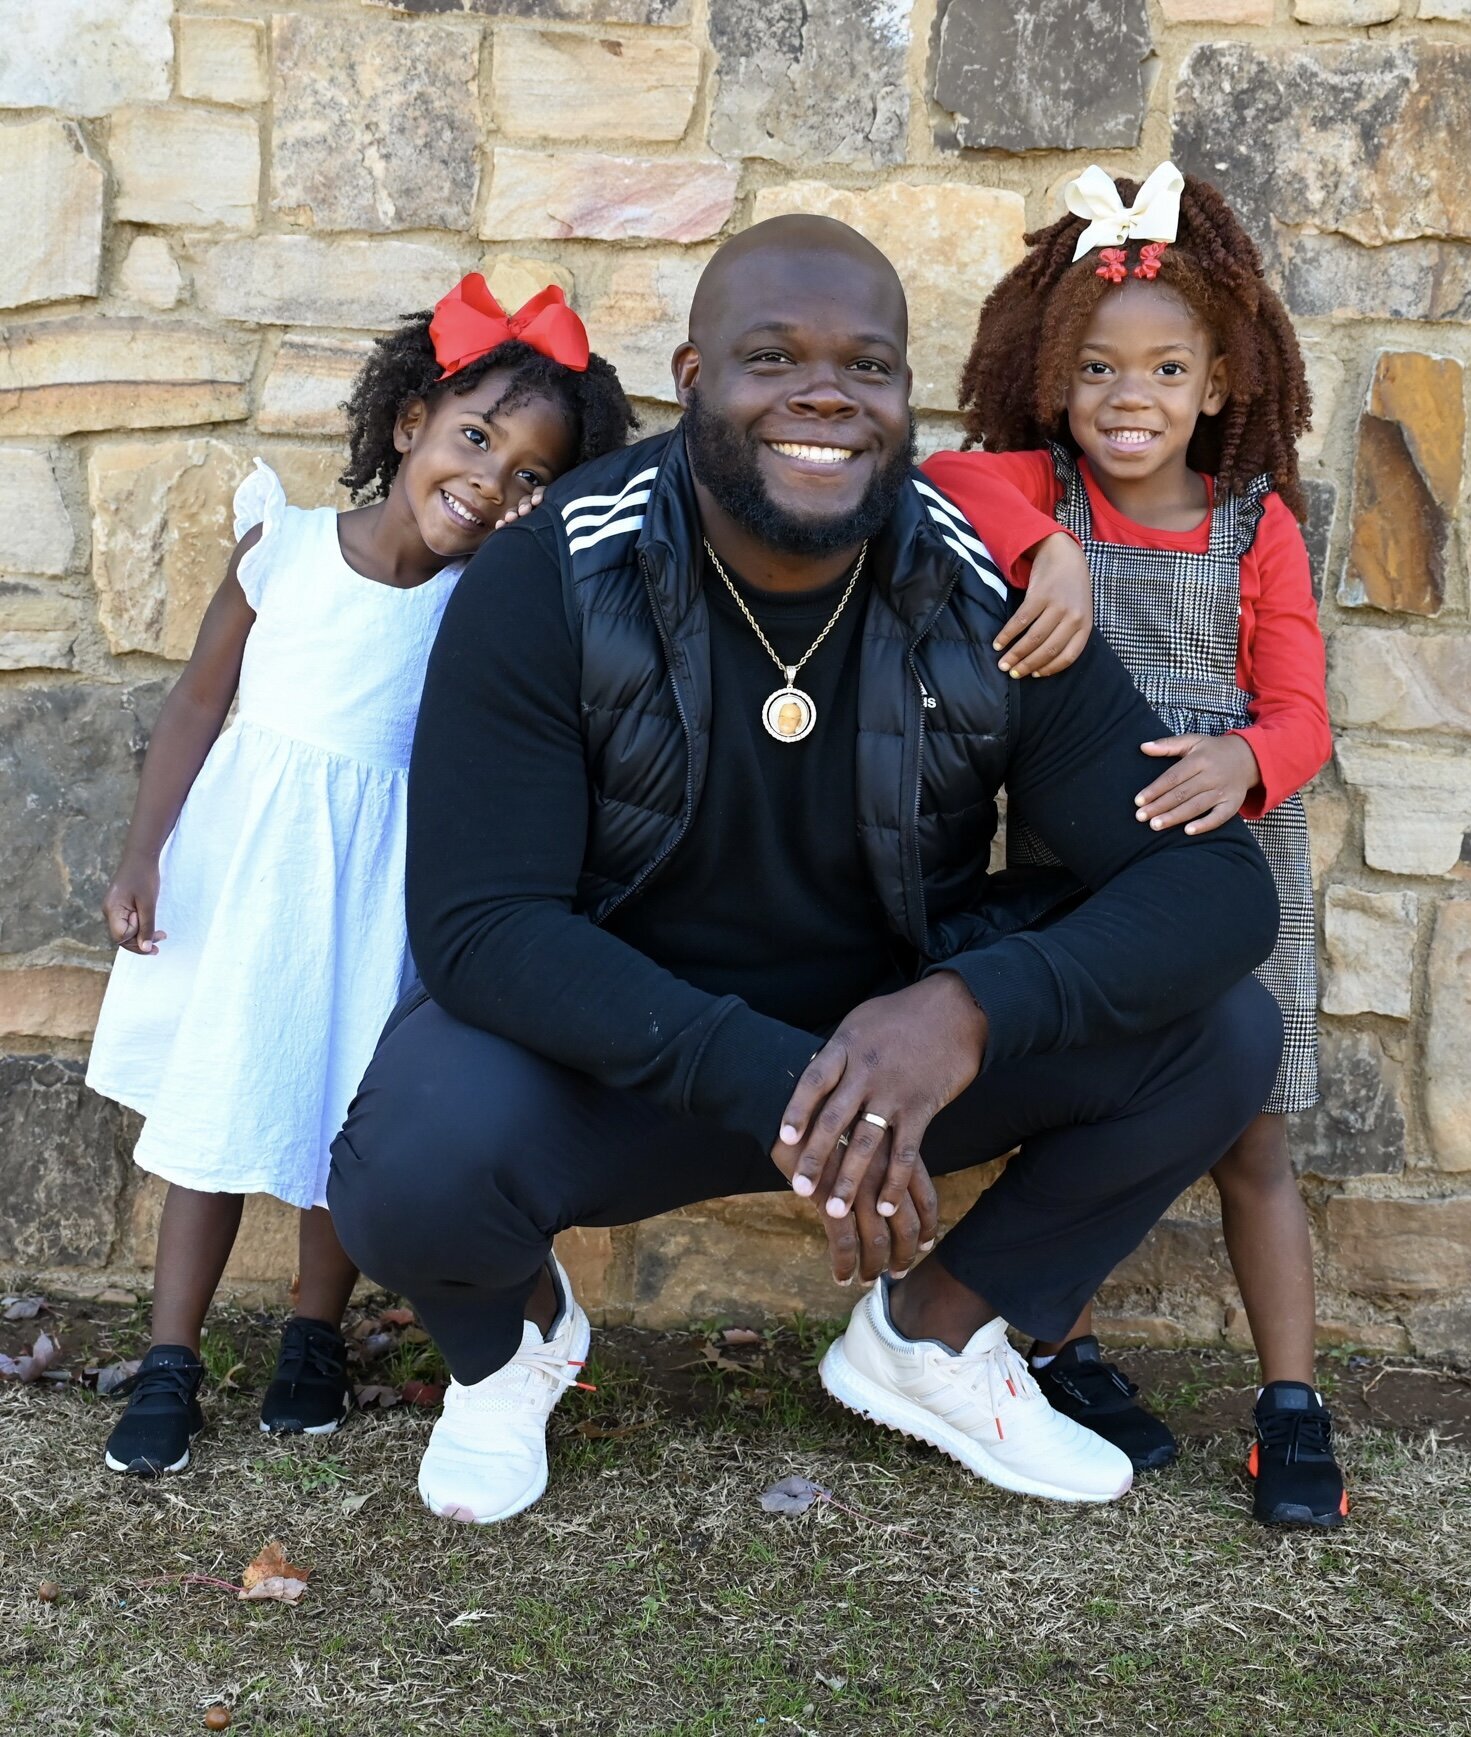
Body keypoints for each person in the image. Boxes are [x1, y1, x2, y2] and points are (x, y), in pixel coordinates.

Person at [327, 214, 1283, 1528]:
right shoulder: (552, 574)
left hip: (893, 1059)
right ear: (692, 375)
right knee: (406, 1162)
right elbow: (481, 926)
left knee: (1220, 1032)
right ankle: (513, 1352)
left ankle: (930, 1339)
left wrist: (966, 1010)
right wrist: (788, 1085)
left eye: (865, 365)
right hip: (620, 1058)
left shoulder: (982, 596)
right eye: (771, 357)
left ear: (903, 395)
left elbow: (1217, 890)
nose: (823, 393)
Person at [85, 277, 633, 1477]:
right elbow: (194, 705)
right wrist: (144, 853)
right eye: (476, 438)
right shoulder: (282, 550)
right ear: (408, 426)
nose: (491, 482)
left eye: (530, 475)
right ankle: (171, 1356)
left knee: (345, 1111)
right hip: (251, 878)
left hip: (384, 888)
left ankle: (311, 1338)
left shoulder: (481, 605)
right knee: (221, 1110)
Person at [923, 163, 1342, 1528]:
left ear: (1218, 385)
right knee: (1081, 1109)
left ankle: (1289, 1402)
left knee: (1249, 1140)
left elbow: (1299, 711)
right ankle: (1061, 1349)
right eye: (1096, 368)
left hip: (1238, 862)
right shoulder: (1034, 493)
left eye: (1165, 369)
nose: (1128, 398)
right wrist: (1049, 550)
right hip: (1079, 878)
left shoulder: (1251, 524)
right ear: (1054, 375)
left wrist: (1245, 758)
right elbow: (938, 474)